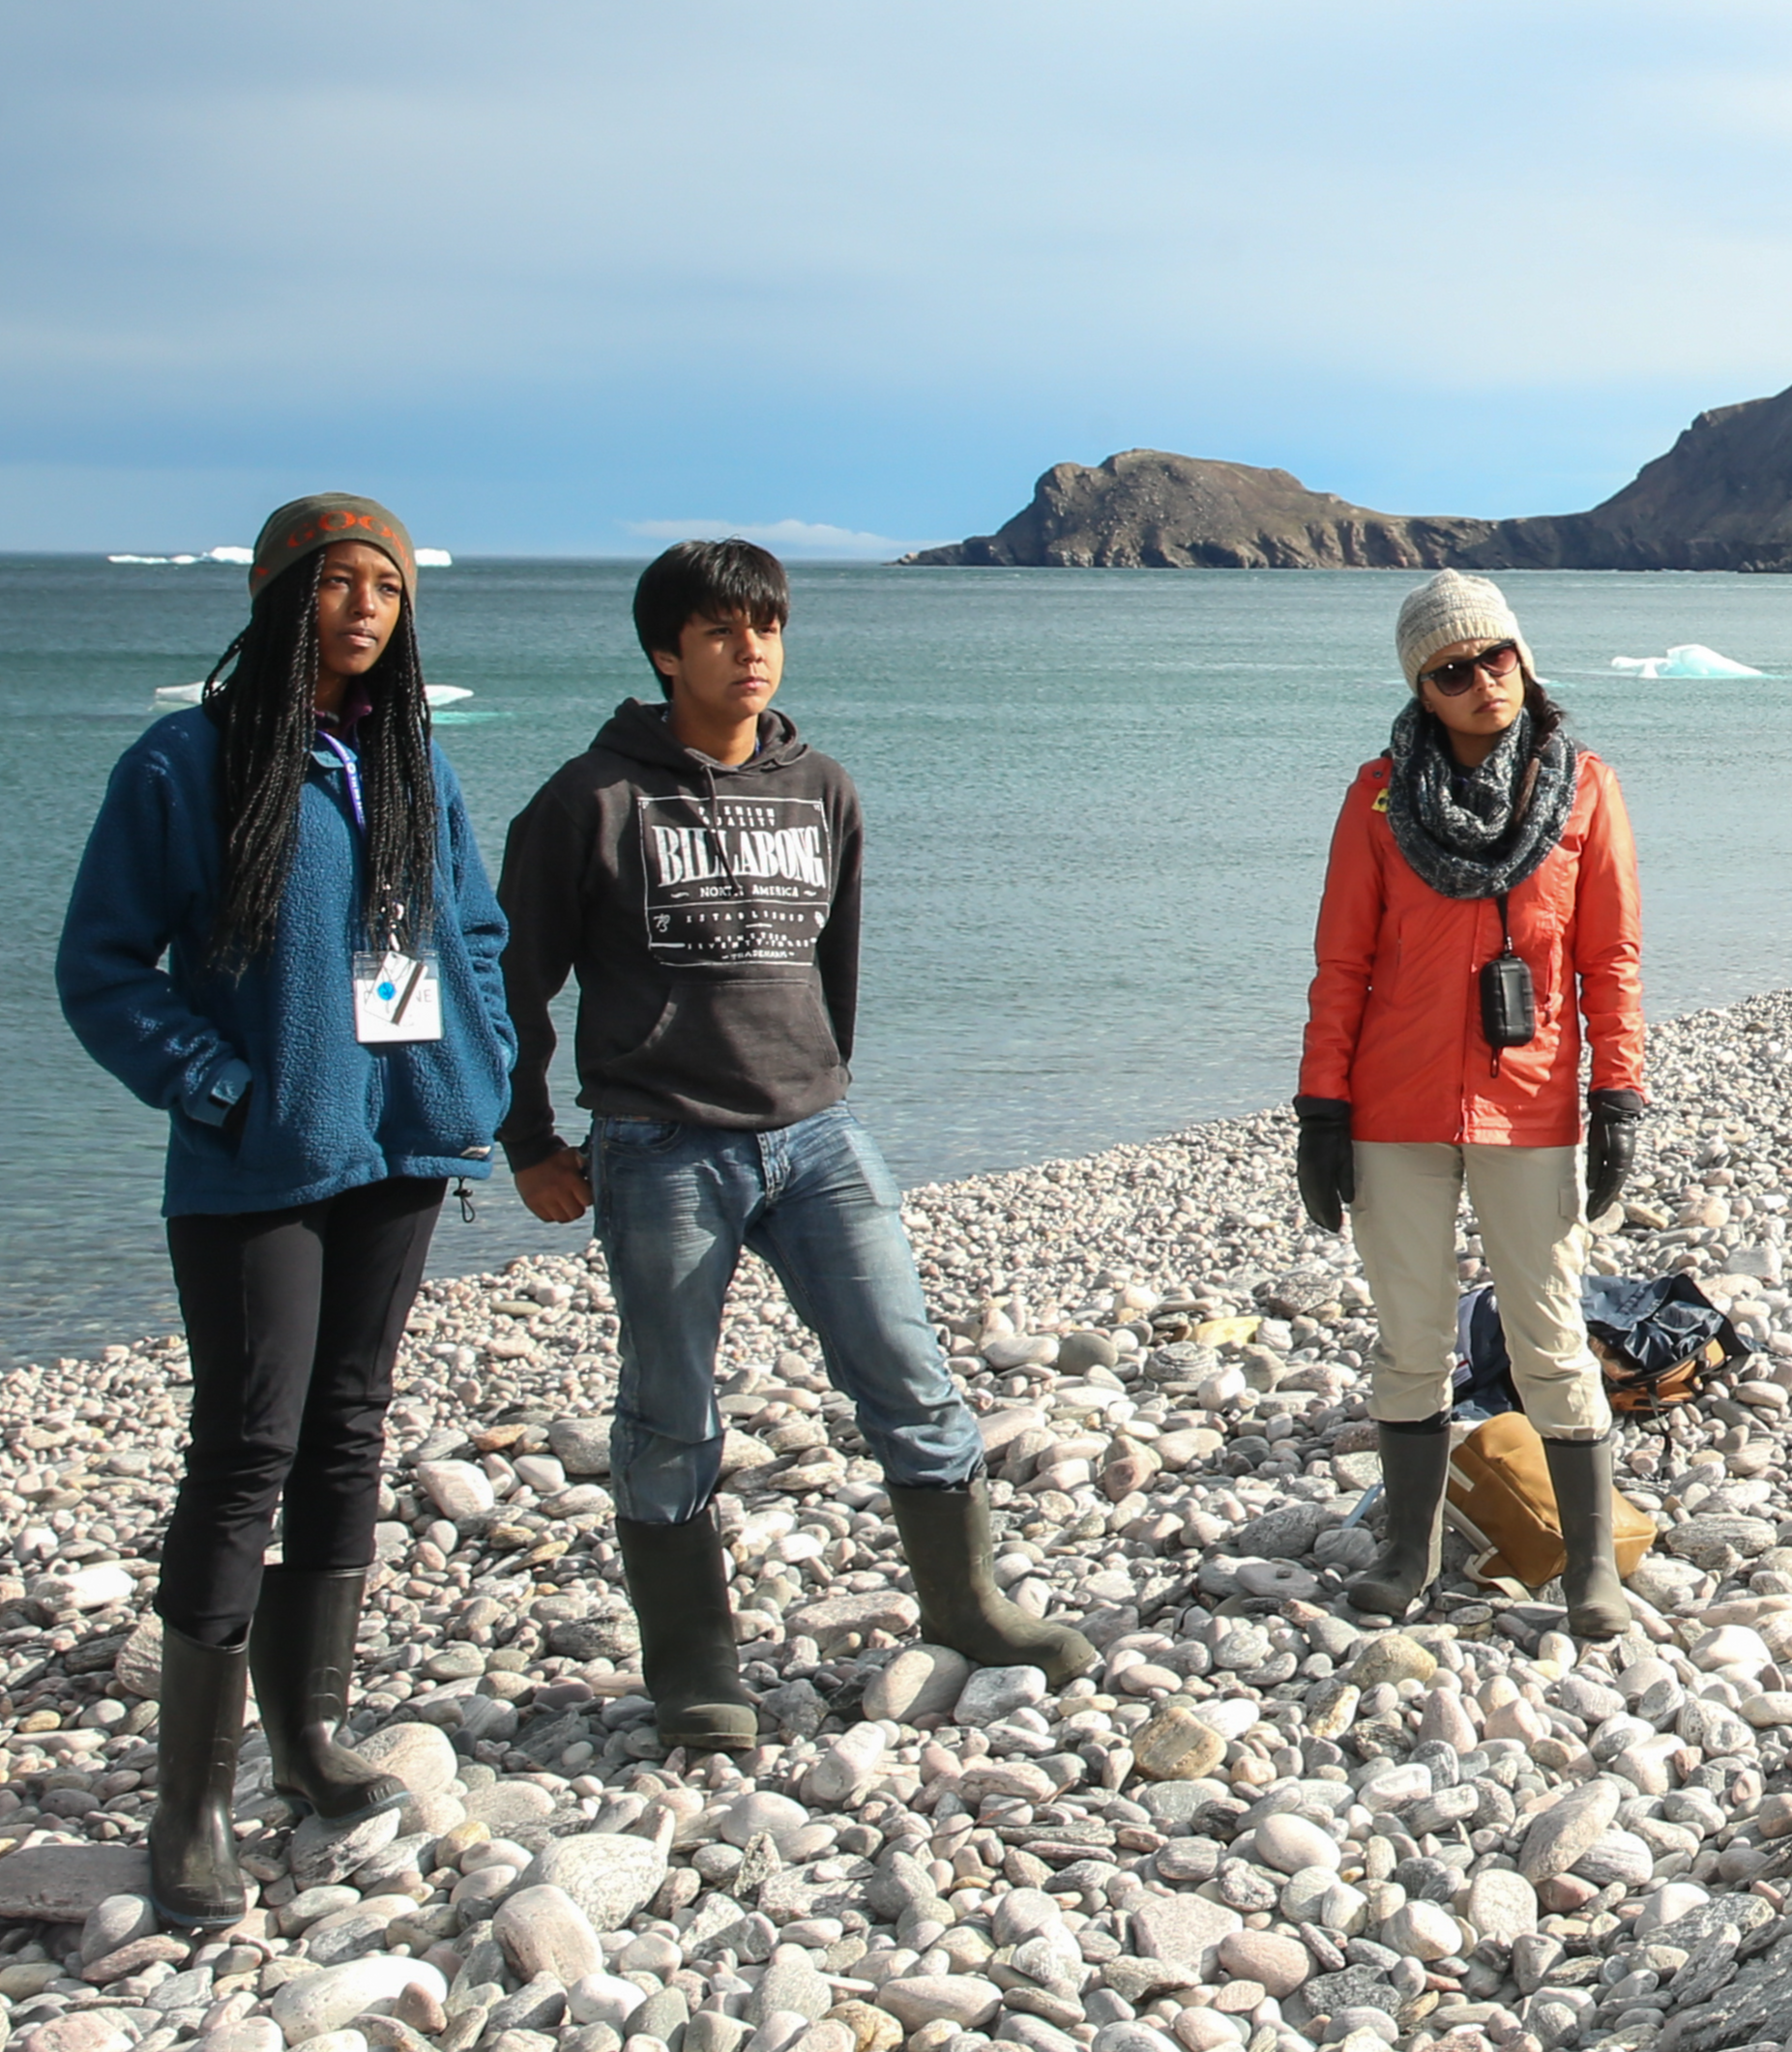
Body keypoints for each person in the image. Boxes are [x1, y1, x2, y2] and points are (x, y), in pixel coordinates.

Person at [493, 539, 1090, 1751]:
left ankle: (967, 1604)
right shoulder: (588, 800)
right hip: (660, 1146)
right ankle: (696, 1664)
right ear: (667, 653)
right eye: (720, 631)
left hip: (816, 1134)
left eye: (766, 625)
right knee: (670, 1409)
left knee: (909, 1369)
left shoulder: (821, 787)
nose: (751, 648)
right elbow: (512, 981)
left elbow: (837, 965)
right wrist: (529, 1139)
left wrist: (822, 1085)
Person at [58, 495, 513, 1929]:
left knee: (350, 1429)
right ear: (275, 598)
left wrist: (478, 1060)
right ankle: (187, 1801)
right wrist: (218, 1084)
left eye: (386, 583)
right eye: (336, 582)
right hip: (260, 1158)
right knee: (246, 1444)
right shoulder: (185, 761)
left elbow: (472, 934)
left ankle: (311, 1740)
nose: (366, 604)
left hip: (404, 1146)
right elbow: (104, 964)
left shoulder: (412, 764)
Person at [1295, 571, 1652, 1635]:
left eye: (1497, 656)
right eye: (1454, 670)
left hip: (1530, 1102)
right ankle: (1409, 1552)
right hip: (1390, 1106)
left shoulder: (1585, 784)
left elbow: (1611, 959)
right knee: (1409, 1341)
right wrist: (1320, 1106)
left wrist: (1618, 1094)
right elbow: (1341, 961)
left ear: (1523, 657)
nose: (1484, 681)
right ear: (1422, 687)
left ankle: (1589, 1564)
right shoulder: (1373, 796)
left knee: (1546, 1337)